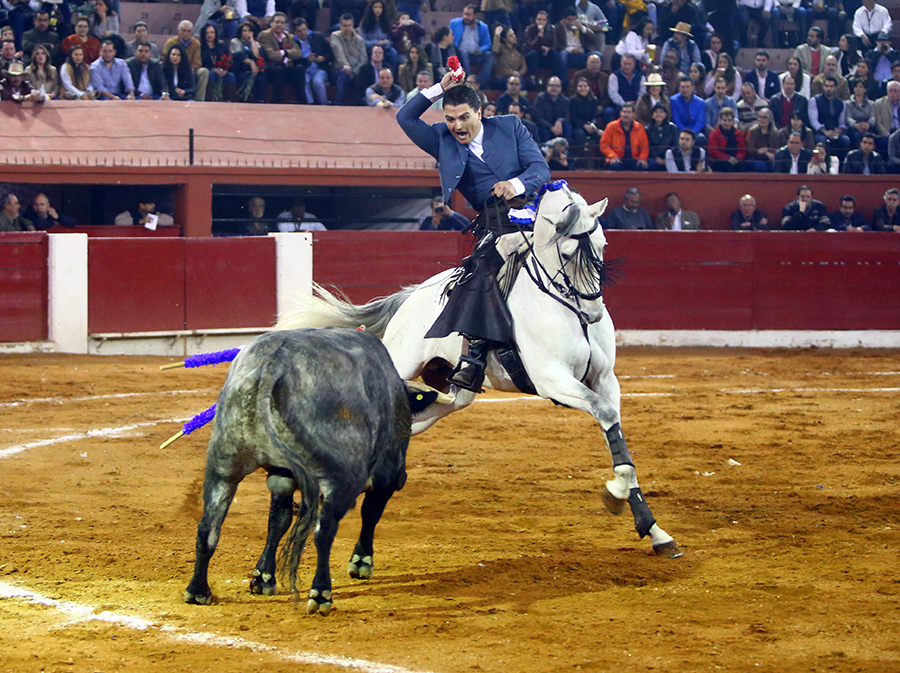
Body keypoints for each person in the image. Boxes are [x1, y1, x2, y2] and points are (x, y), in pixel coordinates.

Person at [396, 69, 551, 392]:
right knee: (479, 271)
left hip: (537, 214)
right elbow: (405, 117)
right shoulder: (440, 139)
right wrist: (440, 88)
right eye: (450, 119)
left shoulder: (509, 126)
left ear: (480, 112)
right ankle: (474, 356)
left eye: (463, 117)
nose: (457, 126)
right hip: (495, 222)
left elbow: (540, 168)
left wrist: (515, 184)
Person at [258, 12, 303, 103]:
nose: (279, 24)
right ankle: (278, 101)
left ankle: (300, 100)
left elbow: (298, 53)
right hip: (271, 68)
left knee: (299, 69)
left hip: (286, 67)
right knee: (279, 70)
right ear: (271, 23)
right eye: (277, 22)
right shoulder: (264, 35)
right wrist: (287, 56)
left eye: (282, 23)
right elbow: (270, 54)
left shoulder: (288, 36)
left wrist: (284, 52)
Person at [450, 4, 494, 87]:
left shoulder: (483, 27)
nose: (465, 17)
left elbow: (488, 44)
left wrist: (480, 50)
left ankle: (481, 80)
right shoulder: (454, 23)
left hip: (476, 55)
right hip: (460, 54)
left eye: (468, 15)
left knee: (490, 55)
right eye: (464, 14)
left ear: (475, 15)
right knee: (463, 52)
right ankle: (468, 77)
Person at [554, 6, 601, 81]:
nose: (572, 22)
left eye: (574, 19)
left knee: (597, 55)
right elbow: (556, 45)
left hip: (582, 55)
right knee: (562, 54)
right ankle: (564, 82)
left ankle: (594, 80)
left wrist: (582, 28)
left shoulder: (581, 25)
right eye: (569, 20)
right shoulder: (558, 28)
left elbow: (594, 39)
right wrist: (571, 50)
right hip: (567, 56)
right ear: (563, 19)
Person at [330, 13, 367, 106]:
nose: (347, 28)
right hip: (339, 69)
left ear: (353, 26)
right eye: (344, 25)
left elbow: (363, 59)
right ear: (340, 26)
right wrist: (346, 66)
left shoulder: (360, 40)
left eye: (349, 25)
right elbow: (339, 53)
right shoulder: (335, 36)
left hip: (356, 71)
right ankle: (338, 103)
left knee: (364, 72)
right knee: (343, 74)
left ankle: (360, 103)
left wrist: (355, 71)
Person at [599, 102, 649, 169]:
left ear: (633, 114)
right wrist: (613, 156)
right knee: (615, 166)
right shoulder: (611, 126)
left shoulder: (639, 127)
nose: (626, 114)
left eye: (629, 112)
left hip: (634, 159)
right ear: (620, 113)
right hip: (616, 159)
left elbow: (644, 147)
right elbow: (604, 145)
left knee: (642, 166)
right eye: (624, 112)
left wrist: (642, 158)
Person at [809, 75, 851, 156]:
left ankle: (841, 166)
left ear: (836, 87)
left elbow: (842, 122)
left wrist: (839, 130)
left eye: (831, 86)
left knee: (845, 140)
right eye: (826, 86)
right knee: (822, 140)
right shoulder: (815, 101)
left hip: (835, 131)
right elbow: (813, 120)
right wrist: (825, 131)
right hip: (820, 132)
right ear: (823, 86)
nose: (829, 89)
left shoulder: (841, 103)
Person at [230, 20, 267, 102]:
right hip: (241, 69)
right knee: (244, 77)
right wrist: (251, 63)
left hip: (254, 70)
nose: (248, 33)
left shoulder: (255, 43)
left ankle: (260, 100)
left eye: (250, 31)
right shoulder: (235, 41)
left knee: (262, 76)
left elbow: (257, 56)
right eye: (244, 31)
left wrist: (253, 42)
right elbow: (239, 55)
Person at [359, 0, 399, 71]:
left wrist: (385, 44)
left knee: (393, 53)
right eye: (375, 7)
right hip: (369, 49)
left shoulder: (386, 23)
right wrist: (376, 43)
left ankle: (391, 75)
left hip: (384, 48)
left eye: (380, 7)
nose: (378, 9)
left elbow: (389, 40)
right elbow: (362, 41)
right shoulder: (365, 23)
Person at [201, 23, 236, 101]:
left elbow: (229, 60)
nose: (210, 35)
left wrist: (225, 70)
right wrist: (213, 69)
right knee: (211, 75)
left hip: (222, 71)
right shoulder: (201, 47)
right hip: (209, 70)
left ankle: (229, 100)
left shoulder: (222, 45)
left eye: (212, 32)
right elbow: (201, 63)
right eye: (207, 33)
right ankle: (210, 99)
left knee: (231, 76)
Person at [532, 76, 571, 143]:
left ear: (561, 88)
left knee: (568, 127)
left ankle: (564, 150)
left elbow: (568, 116)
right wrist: (551, 127)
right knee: (544, 132)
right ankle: (545, 151)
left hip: (558, 126)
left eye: (557, 86)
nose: (554, 88)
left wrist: (560, 121)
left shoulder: (565, 100)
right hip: (545, 126)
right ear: (547, 87)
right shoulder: (540, 98)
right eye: (552, 85)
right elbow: (538, 118)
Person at [669, 75, 706, 143]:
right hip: (679, 132)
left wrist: (691, 134)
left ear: (693, 88)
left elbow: (700, 122)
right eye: (683, 87)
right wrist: (684, 134)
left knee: (701, 138)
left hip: (695, 132)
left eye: (688, 87)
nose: (685, 90)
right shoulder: (673, 100)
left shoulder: (700, 102)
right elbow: (676, 120)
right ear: (679, 88)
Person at [708, 107, 748, 171]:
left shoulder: (739, 134)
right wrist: (727, 158)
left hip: (736, 160)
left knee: (742, 166)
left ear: (732, 121)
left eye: (729, 120)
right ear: (720, 121)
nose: (727, 123)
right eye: (724, 120)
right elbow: (713, 151)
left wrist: (737, 158)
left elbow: (743, 150)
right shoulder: (714, 134)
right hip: (719, 161)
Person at [489, 25, 526, 90]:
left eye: (514, 34)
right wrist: (497, 35)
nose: (514, 37)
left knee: (520, 82)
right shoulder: (501, 48)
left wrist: (519, 73)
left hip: (516, 77)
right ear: (505, 39)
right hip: (502, 77)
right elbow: (494, 50)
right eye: (511, 36)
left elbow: (523, 65)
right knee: (514, 83)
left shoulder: (518, 50)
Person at [569, 77, 602, 147]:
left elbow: (594, 116)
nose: (583, 88)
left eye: (585, 86)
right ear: (577, 88)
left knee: (600, 134)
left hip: (589, 125)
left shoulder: (594, 100)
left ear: (589, 88)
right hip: (577, 126)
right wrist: (584, 125)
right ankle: (578, 156)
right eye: (580, 86)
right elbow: (572, 118)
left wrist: (592, 124)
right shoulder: (572, 100)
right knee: (580, 134)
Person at [646, 102, 679, 169]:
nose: (659, 114)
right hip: (653, 158)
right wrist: (657, 158)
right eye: (656, 112)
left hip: (669, 157)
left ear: (665, 114)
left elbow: (675, 145)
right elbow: (648, 146)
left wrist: (666, 158)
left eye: (661, 112)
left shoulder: (673, 128)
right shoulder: (647, 129)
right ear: (652, 115)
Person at [845, 77, 877, 147]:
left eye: (861, 87)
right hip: (854, 129)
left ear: (865, 89)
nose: (858, 89)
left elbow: (872, 117)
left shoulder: (871, 103)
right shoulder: (847, 104)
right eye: (856, 86)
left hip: (868, 128)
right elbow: (848, 118)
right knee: (857, 135)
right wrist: (856, 125)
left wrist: (868, 124)